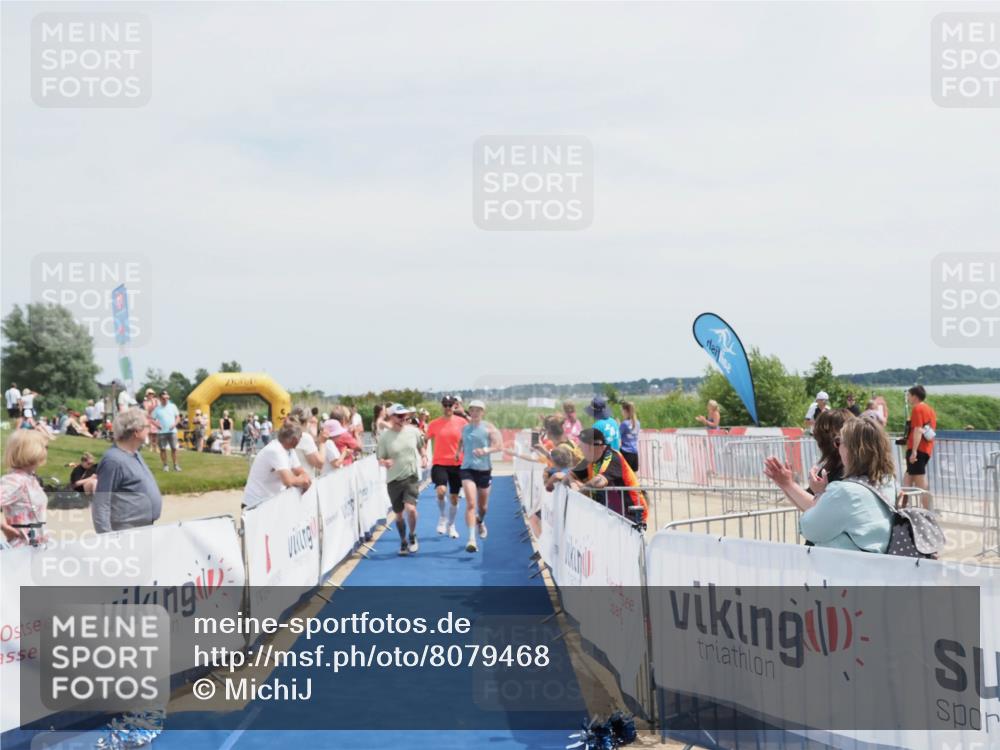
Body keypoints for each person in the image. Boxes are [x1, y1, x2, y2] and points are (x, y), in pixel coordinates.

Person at [792, 417, 895, 552]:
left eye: (839, 442)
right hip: (876, 566)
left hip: (845, 569)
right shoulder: (888, 481)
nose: (837, 447)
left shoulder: (844, 491)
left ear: (852, 450)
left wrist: (819, 494)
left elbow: (809, 529)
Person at [764, 409, 856, 507]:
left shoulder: (848, 471)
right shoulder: (831, 465)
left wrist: (788, 484)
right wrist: (784, 483)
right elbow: (806, 504)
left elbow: (819, 509)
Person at [92, 408, 163, 533]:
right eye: (147, 426)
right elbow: (101, 504)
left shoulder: (134, 453)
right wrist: (107, 539)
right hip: (127, 531)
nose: (150, 430)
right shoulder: (113, 460)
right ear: (136, 432)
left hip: (143, 527)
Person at [376, 404, 428, 556]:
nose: (403, 418)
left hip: (411, 477)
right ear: (391, 417)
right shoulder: (385, 437)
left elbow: (421, 446)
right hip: (393, 480)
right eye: (399, 416)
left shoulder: (413, 432)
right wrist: (384, 463)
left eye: (405, 415)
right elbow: (380, 458)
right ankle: (403, 541)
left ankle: (412, 535)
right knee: (398, 515)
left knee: (410, 509)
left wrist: (424, 456)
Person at [569, 428, 648, 522]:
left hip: (632, 514)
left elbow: (599, 482)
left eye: (582, 446)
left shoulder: (612, 457)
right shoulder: (589, 459)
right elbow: (570, 474)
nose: (580, 449)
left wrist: (581, 490)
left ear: (591, 446)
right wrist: (573, 483)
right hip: (612, 514)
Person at [455, 400, 503, 553]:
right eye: (472, 410)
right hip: (467, 469)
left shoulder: (489, 428)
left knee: (483, 507)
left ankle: (480, 522)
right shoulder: (465, 428)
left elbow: (498, 446)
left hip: (484, 470)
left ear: (483, 412)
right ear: (469, 411)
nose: (475, 413)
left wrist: (485, 450)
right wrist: (458, 451)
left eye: (478, 410)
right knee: (470, 504)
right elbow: (461, 440)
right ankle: (471, 539)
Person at [242, 420, 313, 509]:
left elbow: (300, 471)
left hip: (267, 502)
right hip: (255, 504)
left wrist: (304, 478)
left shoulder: (289, 450)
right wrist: (304, 481)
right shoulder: (275, 450)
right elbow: (288, 481)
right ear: (295, 439)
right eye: (300, 438)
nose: (300, 440)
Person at [1, 430, 50, 547]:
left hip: (37, 546)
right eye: (43, 447)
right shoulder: (14, 481)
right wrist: (4, 527)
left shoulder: (30, 478)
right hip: (23, 549)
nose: (46, 451)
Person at [426, 395, 466, 538]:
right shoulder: (434, 424)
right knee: (441, 491)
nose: (448, 408)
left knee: (454, 498)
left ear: (454, 406)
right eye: (445, 405)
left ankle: (452, 525)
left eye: (450, 405)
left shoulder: (462, 422)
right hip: (439, 463)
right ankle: (443, 517)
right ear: (442, 406)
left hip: (457, 464)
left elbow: (467, 440)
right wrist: (423, 455)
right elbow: (425, 439)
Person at [903, 385, 937, 508]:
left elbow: (917, 429)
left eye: (909, 395)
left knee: (920, 484)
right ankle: (901, 507)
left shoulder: (917, 409)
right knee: (907, 478)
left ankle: (928, 512)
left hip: (918, 449)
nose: (907, 398)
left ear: (915, 396)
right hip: (926, 449)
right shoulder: (930, 409)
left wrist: (914, 452)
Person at [152, 390, 181, 472]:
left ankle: (176, 465)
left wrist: (174, 425)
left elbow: (178, 417)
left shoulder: (173, 406)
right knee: (162, 449)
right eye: (164, 398)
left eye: (167, 398)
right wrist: (157, 425)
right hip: (161, 432)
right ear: (160, 399)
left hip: (172, 431)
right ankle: (165, 465)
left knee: (174, 448)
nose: (166, 400)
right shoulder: (157, 409)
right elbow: (151, 419)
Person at [619, 401, 641, 471]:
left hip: (626, 452)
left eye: (622, 410)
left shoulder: (624, 424)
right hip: (634, 452)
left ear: (625, 411)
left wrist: (618, 425)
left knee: (624, 477)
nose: (621, 413)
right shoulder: (637, 423)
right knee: (633, 477)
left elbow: (617, 435)